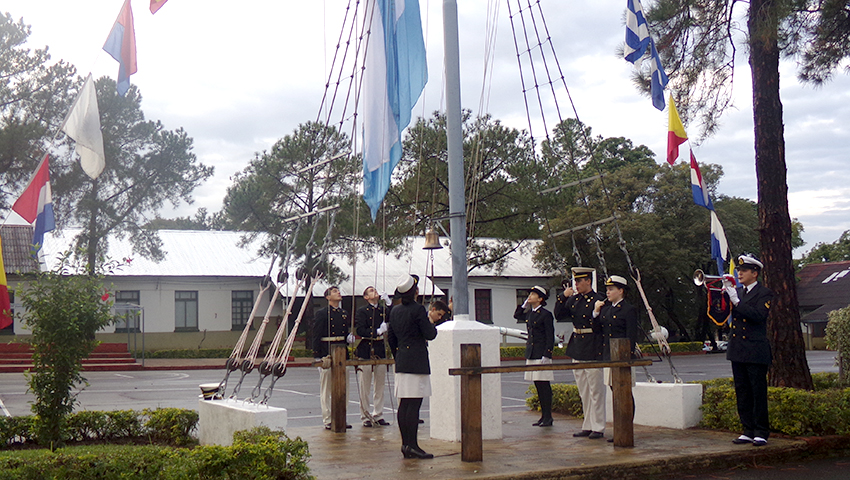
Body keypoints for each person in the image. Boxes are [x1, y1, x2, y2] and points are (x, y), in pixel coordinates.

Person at [723, 254, 773, 447]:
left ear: (755, 273)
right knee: (742, 391)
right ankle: (748, 429)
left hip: (755, 350)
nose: (739, 273)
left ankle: (761, 431)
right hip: (738, 349)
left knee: (757, 392)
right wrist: (726, 296)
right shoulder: (739, 293)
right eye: (739, 270)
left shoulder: (764, 293)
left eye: (744, 270)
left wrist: (737, 301)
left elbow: (758, 316)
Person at [387, 274, 438, 459]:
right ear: (415, 292)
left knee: (404, 404)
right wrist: (432, 321)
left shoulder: (395, 311)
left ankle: (405, 445)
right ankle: (413, 445)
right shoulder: (418, 310)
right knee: (414, 405)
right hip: (416, 360)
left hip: (402, 359)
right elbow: (430, 334)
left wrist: (398, 355)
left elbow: (391, 337)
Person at [554, 267, 606, 439]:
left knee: (596, 390)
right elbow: (559, 315)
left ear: (588, 281)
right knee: (584, 389)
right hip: (577, 344)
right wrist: (563, 296)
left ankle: (598, 426)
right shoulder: (574, 300)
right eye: (575, 281)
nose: (576, 284)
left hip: (592, 345)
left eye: (578, 281)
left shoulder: (598, 299)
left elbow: (600, 324)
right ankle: (588, 424)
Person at [593, 275, 639, 442]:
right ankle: (620, 427)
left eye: (611, 289)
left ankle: (626, 426)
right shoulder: (606, 309)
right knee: (615, 391)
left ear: (621, 291)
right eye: (607, 289)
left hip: (623, 356)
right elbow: (598, 330)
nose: (608, 292)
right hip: (609, 355)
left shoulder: (628, 309)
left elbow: (631, 335)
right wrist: (596, 312)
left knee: (625, 393)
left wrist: (629, 355)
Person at [514, 285, 555, 427]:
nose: (530, 296)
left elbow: (550, 336)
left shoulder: (546, 314)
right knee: (538, 384)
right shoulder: (530, 313)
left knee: (544, 385)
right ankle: (543, 416)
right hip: (532, 353)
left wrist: (547, 353)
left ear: (540, 298)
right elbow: (517, 315)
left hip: (541, 353)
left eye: (533, 294)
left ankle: (548, 416)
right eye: (529, 294)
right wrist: (523, 305)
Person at [312, 286, 352, 430]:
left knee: (343, 388)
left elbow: (345, 332)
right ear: (328, 297)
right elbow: (316, 334)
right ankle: (328, 418)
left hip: (342, 351)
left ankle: (341, 417)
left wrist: (348, 338)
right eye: (334, 292)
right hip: (327, 350)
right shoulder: (322, 313)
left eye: (338, 291)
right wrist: (317, 356)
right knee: (327, 388)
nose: (338, 293)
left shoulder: (344, 313)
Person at [354, 286, 392, 427]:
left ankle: (378, 414)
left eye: (375, 290)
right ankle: (365, 416)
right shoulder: (362, 311)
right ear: (366, 297)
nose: (375, 292)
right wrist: (376, 331)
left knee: (380, 385)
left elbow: (394, 315)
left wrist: (388, 302)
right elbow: (360, 329)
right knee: (365, 386)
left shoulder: (383, 310)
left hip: (380, 347)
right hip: (367, 347)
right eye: (371, 291)